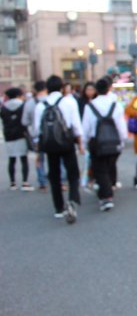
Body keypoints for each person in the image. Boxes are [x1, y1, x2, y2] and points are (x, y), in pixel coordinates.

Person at [33, 75, 85, 223]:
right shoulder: (69, 102)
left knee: (54, 175)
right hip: (66, 142)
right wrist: (80, 144)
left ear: (47, 88)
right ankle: (72, 200)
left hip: (49, 145)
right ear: (62, 87)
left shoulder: (40, 105)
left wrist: (38, 151)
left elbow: (37, 131)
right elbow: (76, 125)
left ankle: (58, 208)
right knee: (73, 173)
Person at [82, 78, 127, 211]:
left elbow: (85, 128)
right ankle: (108, 189)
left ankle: (106, 196)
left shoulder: (90, 106)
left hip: (97, 142)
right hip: (114, 142)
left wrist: (83, 142)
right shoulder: (116, 105)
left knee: (100, 170)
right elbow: (121, 127)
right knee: (109, 166)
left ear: (96, 90)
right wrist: (122, 140)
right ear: (109, 89)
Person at [1, 87, 33, 191]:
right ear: (18, 95)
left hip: (9, 136)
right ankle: (25, 182)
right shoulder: (23, 105)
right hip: (21, 134)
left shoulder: (3, 108)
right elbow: (26, 121)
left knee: (12, 159)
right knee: (24, 159)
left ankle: (12, 183)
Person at [22, 81, 49, 191]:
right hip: (54, 135)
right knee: (56, 158)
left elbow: (24, 121)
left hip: (37, 136)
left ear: (34, 90)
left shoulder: (29, 103)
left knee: (39, 159)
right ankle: (60, 180)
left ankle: (42, 182)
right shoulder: (53, 100)